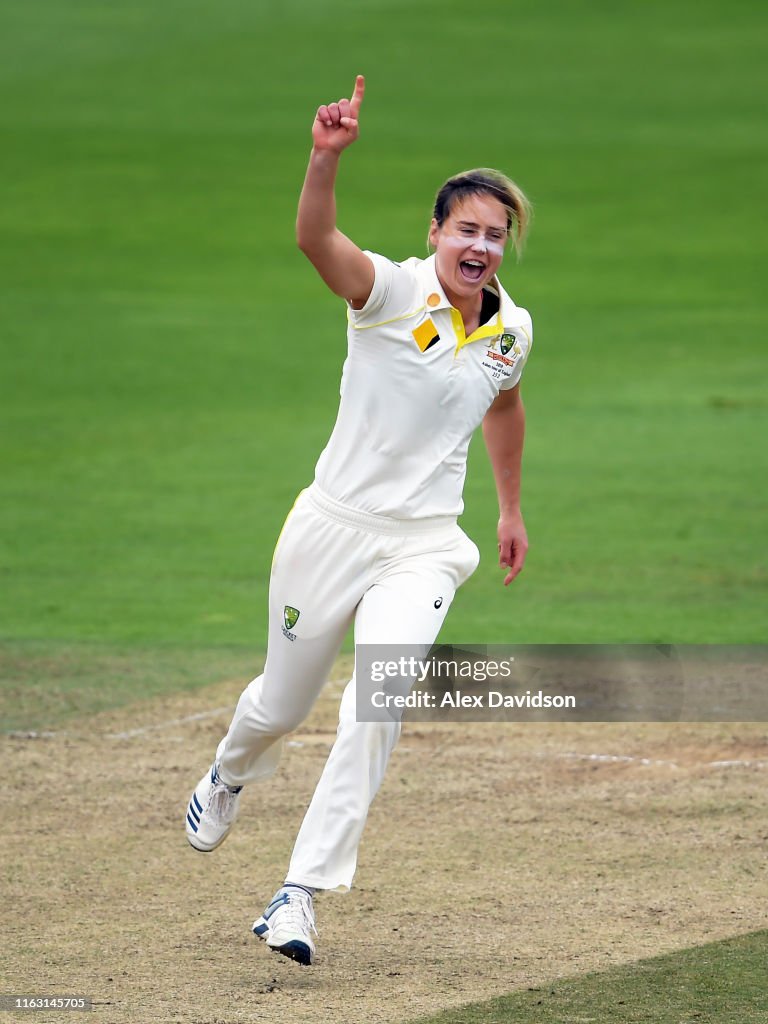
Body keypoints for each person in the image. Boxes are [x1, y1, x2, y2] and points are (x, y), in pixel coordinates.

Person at [185, 75, 533, 966]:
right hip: (332, 528)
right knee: (282, 703)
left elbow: (503, 405)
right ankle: (229, 772)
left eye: (496, 236)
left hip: (423, 546)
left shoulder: (512, 331)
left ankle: (299, 893)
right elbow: (314, 238)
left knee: (375, 706)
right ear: (436, 232)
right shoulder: (388, 292)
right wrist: (323, 159)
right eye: (467, 229)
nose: (481, 246)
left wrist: (509, 508)